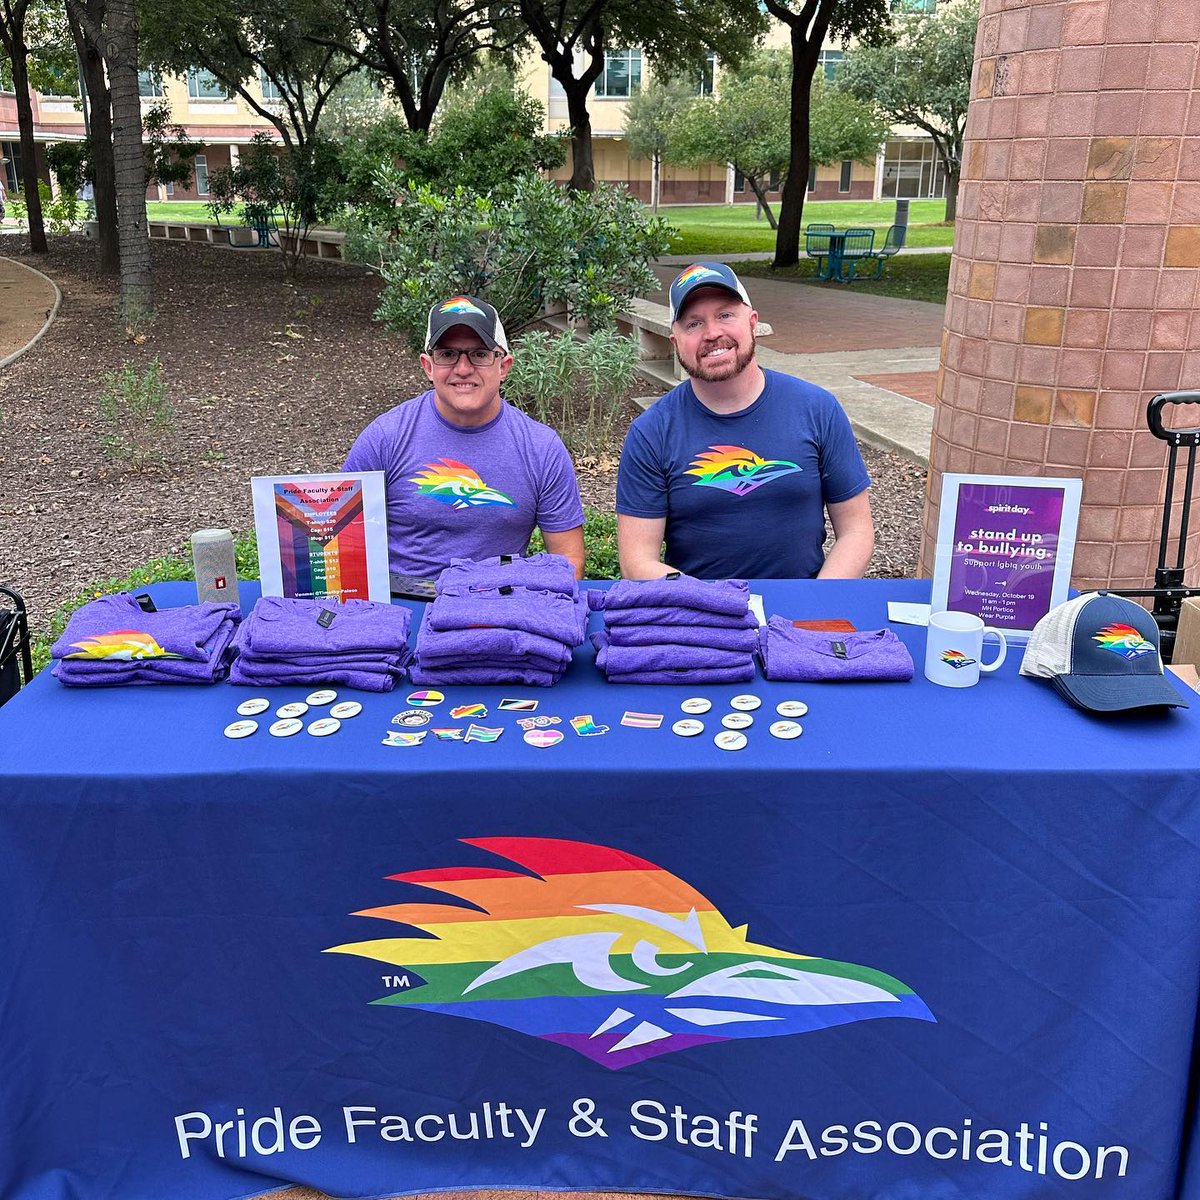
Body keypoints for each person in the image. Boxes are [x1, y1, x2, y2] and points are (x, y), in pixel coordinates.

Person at [616, 262, 874, 581]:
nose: (712, 333)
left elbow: (856, 531)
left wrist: (815, 605)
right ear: (675, 341)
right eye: (694, 323)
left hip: (801, 610)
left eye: (725, 315)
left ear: (752, 322)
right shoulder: (652, 432)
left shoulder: (817, 409)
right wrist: (714, 605)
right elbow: (636, 560)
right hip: (700, 614)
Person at [343, 295, 585, 579]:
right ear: (428, 366)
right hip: (404, 605)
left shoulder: (541, 448)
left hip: (500, 606)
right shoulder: (385, 438)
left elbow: (569, 558)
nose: (463, 368)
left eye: (479, 354)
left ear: (504, 366)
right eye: (447, 354)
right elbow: (339, 542)